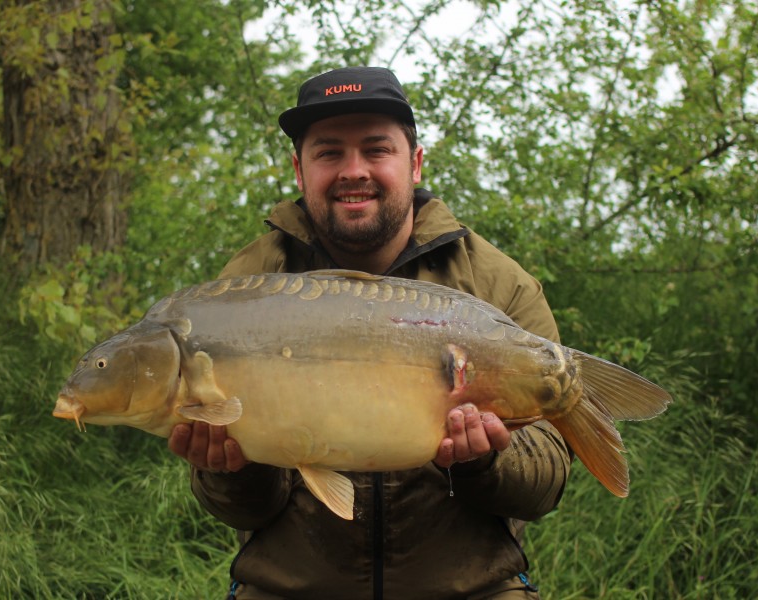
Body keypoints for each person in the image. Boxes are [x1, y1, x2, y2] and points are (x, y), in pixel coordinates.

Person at [168, 66, 571, 599]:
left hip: (471, 590)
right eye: (329, 152)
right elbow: (240, 511)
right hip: (290, 590)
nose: (352, 170)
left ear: (416, 162)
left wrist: (484, 461)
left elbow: (546, 485)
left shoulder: (496, 284)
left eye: (376, 150)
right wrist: (231, 470)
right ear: (299, 169)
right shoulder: (244, 291)